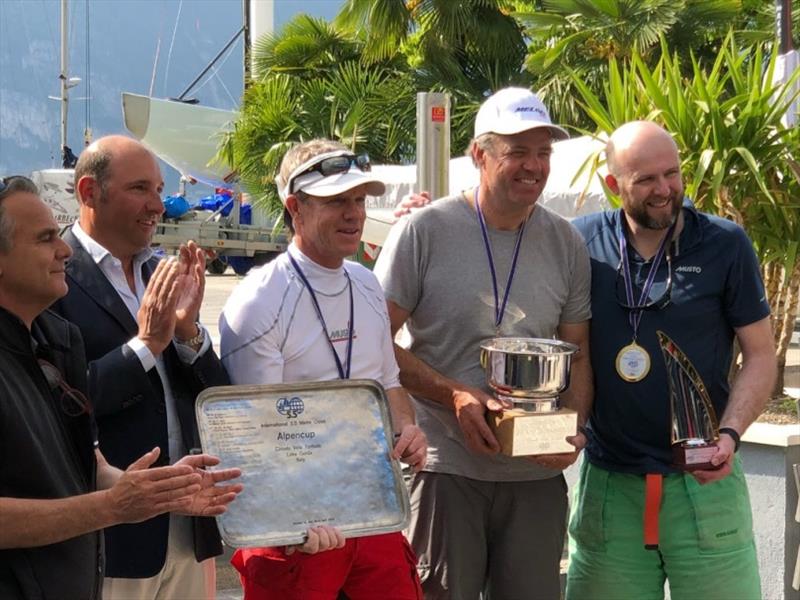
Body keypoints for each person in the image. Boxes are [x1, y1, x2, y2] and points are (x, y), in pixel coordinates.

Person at [373, 87, 593, 599]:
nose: (533, 166)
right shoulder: (424, 231)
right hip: (446, 469)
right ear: (480, 154)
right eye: (518, 151)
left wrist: (572, 431)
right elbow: (374, 342)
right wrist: (454, 394)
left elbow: (576, 356)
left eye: (543, 152)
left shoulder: (565, 242)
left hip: (535, 476)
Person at [0, 176, 241, 600]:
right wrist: (111, 507)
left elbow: (82, 456)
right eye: (44, 239)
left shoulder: (56, 337)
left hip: (104, 565)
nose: (63, 251)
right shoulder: (59, 301)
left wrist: (162, 490)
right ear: (90, 192)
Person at [565, 121, 776, 600]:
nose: (665, 190)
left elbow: (760, 355)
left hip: (704, 485)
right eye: (646, 180)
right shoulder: (577, 243)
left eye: (672, 174)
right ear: (612, 185)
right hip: (612, 488)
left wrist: (731, 434)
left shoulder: (725, 244)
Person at [220, 139, 427, 600]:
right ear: (295, 207)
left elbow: (388, 383)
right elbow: (251, 436)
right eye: (336, 201)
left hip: (369, 513)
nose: (353, 213)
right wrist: (297, 516)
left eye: (359, 200)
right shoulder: (260, 298)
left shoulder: (367, 284)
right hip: (294, 531)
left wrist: (407, 427)